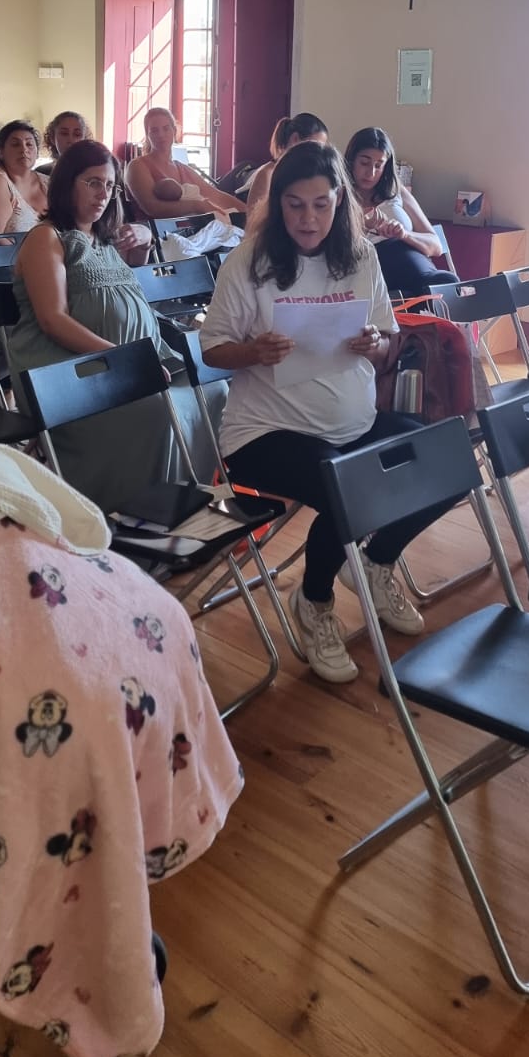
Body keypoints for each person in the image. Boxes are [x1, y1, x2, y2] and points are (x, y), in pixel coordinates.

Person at [201, 142, 460, 684]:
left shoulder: (360, 255)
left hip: (352, 422)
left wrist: (376, 345)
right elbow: (213, 350)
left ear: (340, 201)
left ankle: (377, 560)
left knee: (449, 461)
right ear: (278, 204)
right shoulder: (249, 262)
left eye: (321, 204)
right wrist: (255, 351)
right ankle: (313, 600)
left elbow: (387, 342)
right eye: (295, 205)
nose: (308, 218)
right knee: (350, 488)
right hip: (264, 433)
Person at [6, 140, 216, 512]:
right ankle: (134, 512)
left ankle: (185, 501)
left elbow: (124, 291)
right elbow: (53, 320)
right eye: (92, 182)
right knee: (158, 412)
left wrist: (145, 241)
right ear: (67, 183)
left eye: (109, 185)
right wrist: (126, 362)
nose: (103, 194)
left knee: (215, 390)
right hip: (75, 376)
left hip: (134, 366)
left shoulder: (102, 239)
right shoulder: (47, 238)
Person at [344, 126, 456, 296]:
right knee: (411, 297)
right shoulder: (340, 195)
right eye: (364, 163)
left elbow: (436, 246)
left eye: (378, 165)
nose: (371, 172)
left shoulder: (397, 191)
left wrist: (404, 234)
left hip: (418, 268)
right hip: (372, 269)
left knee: (446, 283)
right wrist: (362, 225)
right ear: (351, 160)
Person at [124, 108, 246, 222]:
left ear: (174, 131)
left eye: (166, 128)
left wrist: (249, 212)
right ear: (147, 135)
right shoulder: (138, 166)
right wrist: (197, 206)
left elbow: (217, 196)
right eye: (154, 130)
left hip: (192, 231)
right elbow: (153, 208)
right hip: (152, 234)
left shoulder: (182, 168)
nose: (161, 135)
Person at [244, 112, 329, 216]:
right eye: (314, 147)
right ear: (295, 139)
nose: (318, 155)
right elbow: (254, 220)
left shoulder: (307, 177)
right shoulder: (267, 174)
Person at [0, 120, 48, 234]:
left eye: (29, 144)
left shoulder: (48, 182)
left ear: (37, 152)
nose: (24, 149)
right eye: (15, 144)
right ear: (1, 152)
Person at [36, 110, 92, 175]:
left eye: (77, 134)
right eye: (64, 133)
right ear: (52, 138)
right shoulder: (40, 173)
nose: (71, 140)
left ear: (84, 139)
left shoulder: (93, 171)